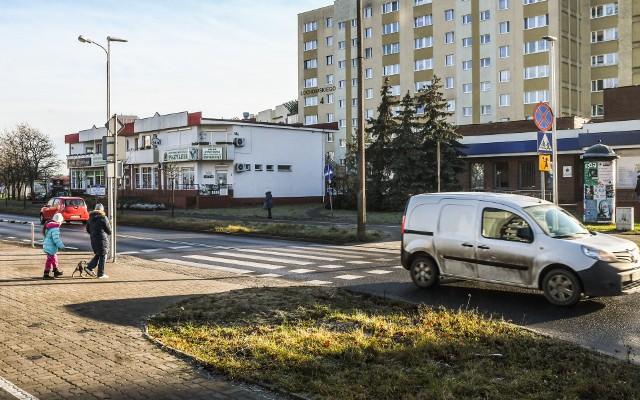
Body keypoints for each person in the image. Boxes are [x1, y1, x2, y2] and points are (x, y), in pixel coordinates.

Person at [85, 203, 112, 278]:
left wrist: (94, 233)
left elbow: (87, 229)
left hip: (93, 238)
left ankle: (89, 267)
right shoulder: (103, 218)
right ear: (102, 210)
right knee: (103, 255)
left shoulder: (90, 218)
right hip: (102, 239)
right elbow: (109, 231)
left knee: (99, 254)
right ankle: (100, 273)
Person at [42, 212, 65, 280]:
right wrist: (61, 245)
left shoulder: (50, 226)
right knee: (49, 260)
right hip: (50, 247)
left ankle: (55, 270)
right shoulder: (55, 228)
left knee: (54, 258)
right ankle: (46, 273)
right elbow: (56, 239)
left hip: (48, 246)